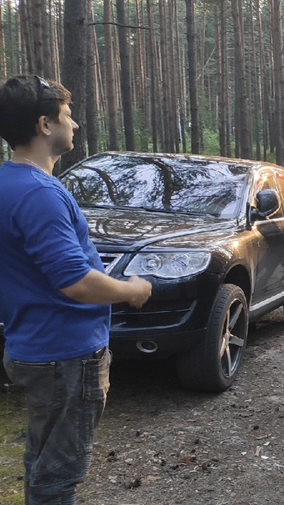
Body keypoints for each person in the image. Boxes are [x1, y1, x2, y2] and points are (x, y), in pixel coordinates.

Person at [0, 74, 153, 504]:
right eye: (68, 116)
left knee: (41, 460)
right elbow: (75, 283)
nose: (76, 125)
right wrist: (131, 290)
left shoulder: (8, 184)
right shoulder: (38, 194)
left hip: (32, 346)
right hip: (64, 356)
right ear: (44, 125)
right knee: (58, 476)